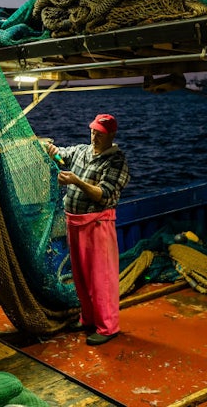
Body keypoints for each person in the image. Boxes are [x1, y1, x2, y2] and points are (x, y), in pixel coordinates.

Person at [46, 114, 130, 346]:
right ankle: (89, 319)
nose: (95, 137)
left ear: (111, 135)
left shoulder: (117, 162)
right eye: (93, 131)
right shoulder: (83, 151)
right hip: (74, 223)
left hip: (98, 225)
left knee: (101, 278)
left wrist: (76, 182)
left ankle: (108, 326)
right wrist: (52, 150)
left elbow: (103, 194)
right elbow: (63, 153)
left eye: (100, 134)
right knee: (81, 277)